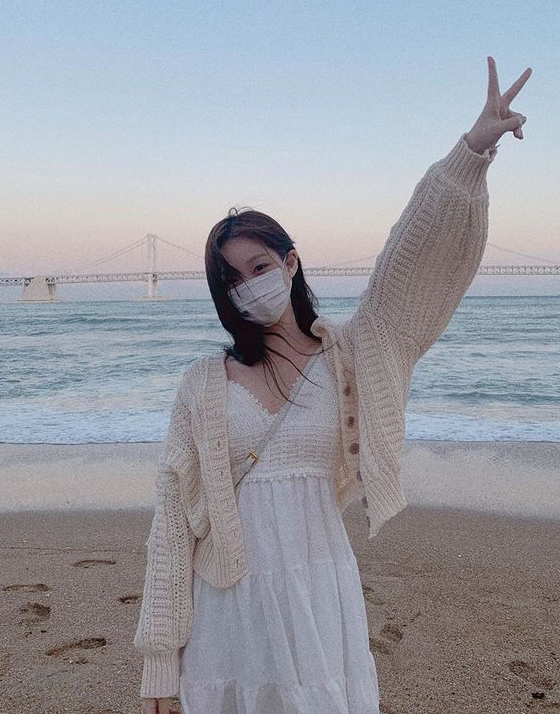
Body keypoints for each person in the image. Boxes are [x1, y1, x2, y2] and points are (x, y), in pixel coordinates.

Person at [134, 56, 532, 714]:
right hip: (227, 617)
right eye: (230, 279)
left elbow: (410, 257)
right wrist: (158, 668)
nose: (247, 286)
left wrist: (472, 151)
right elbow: (172, 526)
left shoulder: (360, 350)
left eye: (259, 265)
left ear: (290, 263)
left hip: (322, 600)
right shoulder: (201, 387)